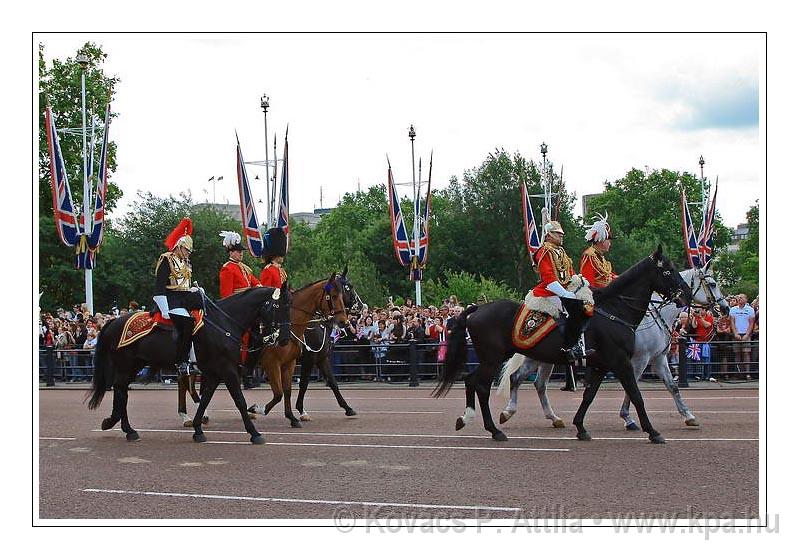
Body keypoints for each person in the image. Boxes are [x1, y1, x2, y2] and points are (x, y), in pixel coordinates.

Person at [530, 219, 592, 361]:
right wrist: (565, 294)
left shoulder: (561, 251)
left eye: (561, 234)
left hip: (564, 289)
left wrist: (579, 282)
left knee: (586, 305)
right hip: (548, 291)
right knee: (574, 310)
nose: (561, 236)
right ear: (549, 235)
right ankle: (568, 347)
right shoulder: (544, 251)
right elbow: (548, 277)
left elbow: (569, 272)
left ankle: (580, 343)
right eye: (558, 234)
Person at [152, 217, 199, 376]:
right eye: (186, 250)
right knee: (187, 324)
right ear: (178, 247)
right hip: (171, 300)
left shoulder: (186, 262)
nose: (188, 253)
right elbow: (159, 286)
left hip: (185, 299)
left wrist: (195, 290)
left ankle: (198, 357)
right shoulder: (166, 259)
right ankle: (181, 361)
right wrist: (164, 307)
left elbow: (184, 285)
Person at [219, 230, 262, 388]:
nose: (241, 254)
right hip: (237, 312)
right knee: (241, 343)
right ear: (231, 252)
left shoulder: (245, 268)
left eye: (241, 251)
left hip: (249, 310)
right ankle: (240, 373)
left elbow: (255, 283)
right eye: (238, 251)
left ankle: (248, 372)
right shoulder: (227, 269)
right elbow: (227, 295)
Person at [580, 213, 617, 288]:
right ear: (602, 240)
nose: (610, 244)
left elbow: (608, 275)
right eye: (609, 241)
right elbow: (588, 281)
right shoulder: (589, 255)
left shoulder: (600, 256)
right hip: (599, 295)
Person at [729, 294, 755, 379]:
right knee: (737, 353)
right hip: (736, 334)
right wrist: (735, 333)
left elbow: (751, 323)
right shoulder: (733, 309)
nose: (739, 298)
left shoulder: (750, 310)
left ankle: (747, 373)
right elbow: (732, 322)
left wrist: (747, 334)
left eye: (742, 297)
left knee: (746, 353)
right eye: (739, 297)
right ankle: (739, 373)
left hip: (746, 334)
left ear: (746, 299)